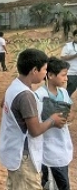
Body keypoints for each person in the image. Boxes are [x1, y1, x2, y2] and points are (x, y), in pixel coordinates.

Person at [0, 48, 67, 190]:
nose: (45, 74)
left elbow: (2, 103)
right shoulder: (26, 96)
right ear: (34, 70)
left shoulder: (14, 85)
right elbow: (34, 130)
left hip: (12, 149)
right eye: (44, 70)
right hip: (24, 158)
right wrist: (52, 120)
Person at [35, 57, 75, 190]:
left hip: (62, 145)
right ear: (50, 75)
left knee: (60, 182)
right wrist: (52, 120)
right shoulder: (39, 96)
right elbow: (35, 123)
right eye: (63, 75)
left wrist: (69, 117)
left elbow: (71, 113)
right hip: (47, 147)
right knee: (50, 181)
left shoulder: (63, 92)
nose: (66, 79)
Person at [60, 29, 77, 96]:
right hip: (72, 73)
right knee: (70, 89)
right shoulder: (68, 46)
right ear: (74, 36)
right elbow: (63, 57)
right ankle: (64, 104)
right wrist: (75, 55)